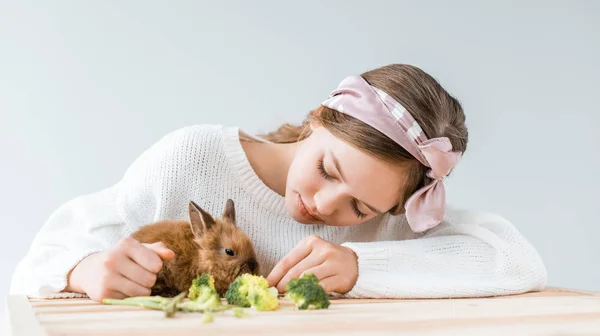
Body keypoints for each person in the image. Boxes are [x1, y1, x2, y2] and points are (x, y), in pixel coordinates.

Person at [10, 64, 547, 301]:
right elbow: (43, 255)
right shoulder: (192, 159)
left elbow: (516, 260)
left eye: (359, 208)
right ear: (317, 118)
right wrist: (83, 269)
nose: (321, 204)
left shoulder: (389, 220)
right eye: (327, 170)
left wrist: (364, 264)